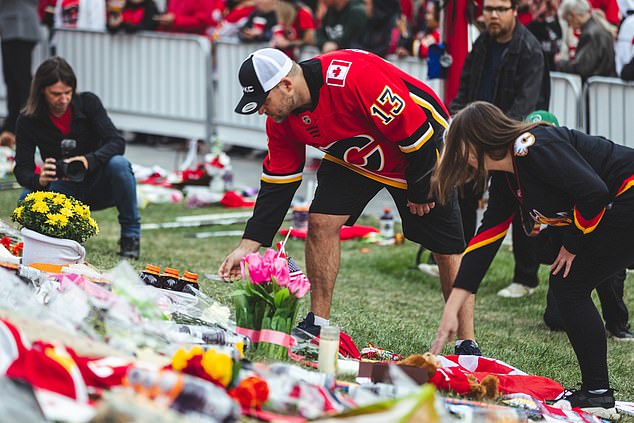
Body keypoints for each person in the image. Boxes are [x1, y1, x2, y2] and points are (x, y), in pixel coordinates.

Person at [218, 48, 480, 355]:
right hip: (357, 156)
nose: (263, 110)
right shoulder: (282, 118)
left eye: (264, 101)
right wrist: (249, 245)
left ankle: (466, 342)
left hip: (419, 148)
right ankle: (318, 323)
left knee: (446, 247)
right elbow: (278, 182)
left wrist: (420, 190)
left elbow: (417, 133)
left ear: (286, 85)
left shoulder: (353, 77)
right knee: (321, 222)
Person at [431, 101, 633, 419]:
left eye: (459, 150)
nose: (461, 161)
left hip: (627, 192)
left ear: (474, 143)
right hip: (619, 203)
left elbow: (594, 192)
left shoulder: (532, 146)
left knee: (569, 285)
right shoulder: (508, 176)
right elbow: (486, 239)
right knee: (568, 286)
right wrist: (452, 307)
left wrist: (572, 244)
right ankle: (597, 392)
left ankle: (597, 393)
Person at [449, 0, 550, 299]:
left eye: (500, 8)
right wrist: (456, 121)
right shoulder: (481, 44)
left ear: (514, 11)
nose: (492, 14)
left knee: (520, 206)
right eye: (489, 8)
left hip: (515, 139)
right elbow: (464, 89)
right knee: (463, 194)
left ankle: (526, 278)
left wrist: (491, 135)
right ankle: (460, 261)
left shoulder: (530, 50)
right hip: (476, 134)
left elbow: (527, 104)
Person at [14, 57, 141, 259]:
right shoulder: (28, 119)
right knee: (25, 198)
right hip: (60, 186)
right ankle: (60, 239)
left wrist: (88, 161)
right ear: (41, 91)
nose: (63, 99)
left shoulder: (88, 103)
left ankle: (131, 237)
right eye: (56, 94)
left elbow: (116, 142)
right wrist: (39, 179)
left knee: (120, 165)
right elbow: (21, 168)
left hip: (97, 183)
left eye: (67, 92)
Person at [0, 0, 41, 149]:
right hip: (9, 28)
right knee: (10, 79)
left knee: (21, 80)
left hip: (20, 27)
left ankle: (24, 122)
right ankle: (12, 122)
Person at [556, 0, 616, 80]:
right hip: (603, 86)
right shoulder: (598, 27)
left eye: (568, 22)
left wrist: (560, 63)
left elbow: (582, 67)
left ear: (573, 16)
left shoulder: (590, 34)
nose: (569, 26)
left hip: (597, 87)